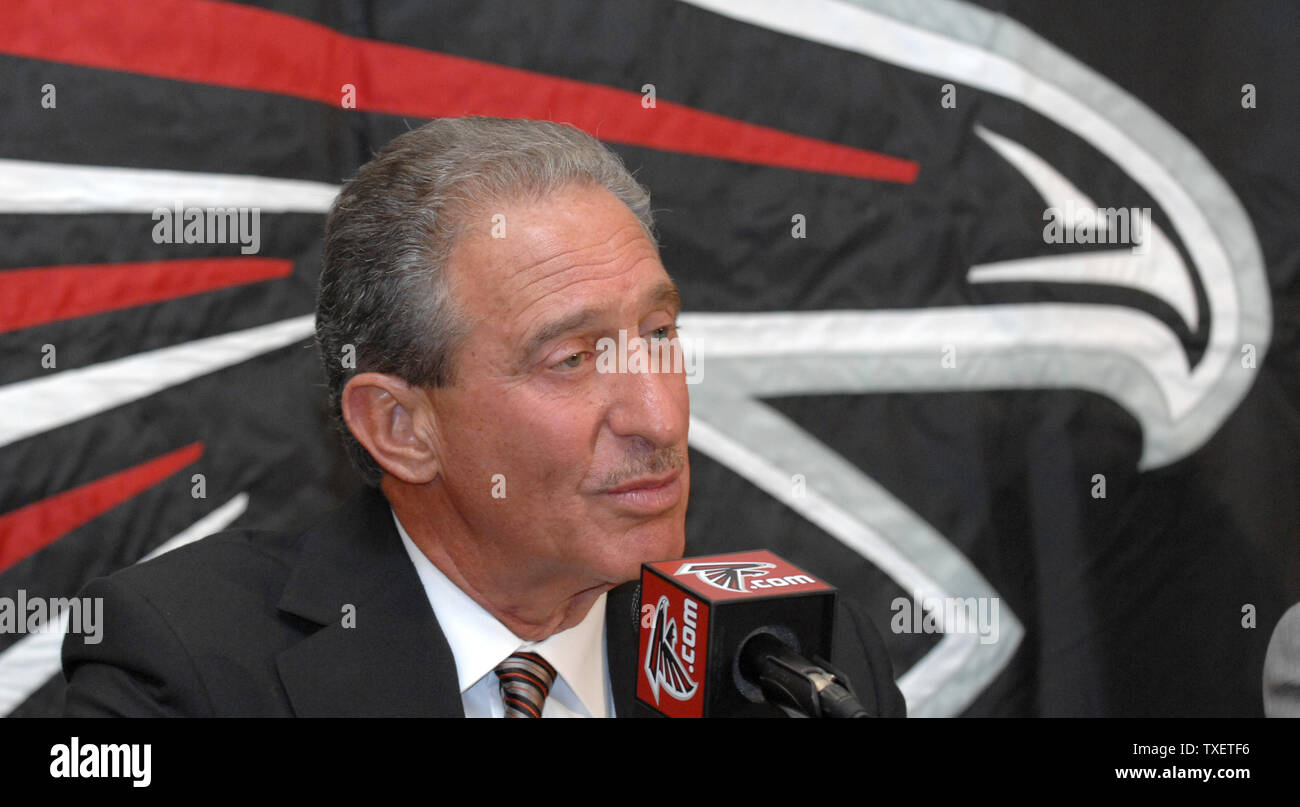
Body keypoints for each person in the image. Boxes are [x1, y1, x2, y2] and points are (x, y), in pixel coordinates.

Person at [62, 117, 905, 717]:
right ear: (400, 427)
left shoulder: (794, 660)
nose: (659, 413)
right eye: (571, 360)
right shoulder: (187, 666)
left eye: (658, 334)